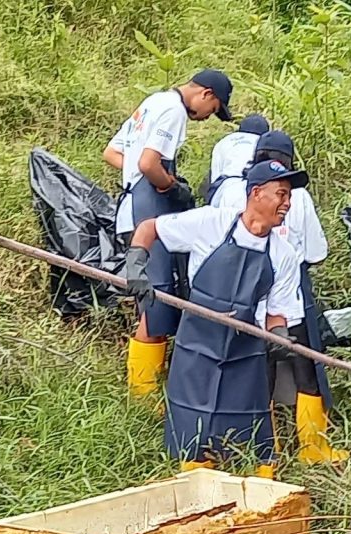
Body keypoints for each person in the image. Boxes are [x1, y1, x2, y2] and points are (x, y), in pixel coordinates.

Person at [122, 158, 308, 475]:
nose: (287, 203)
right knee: (192, 429)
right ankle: (195, 486)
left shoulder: (284, 255)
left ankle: (258, 492)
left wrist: (280, 337)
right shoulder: (211, 224)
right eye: (281, 194)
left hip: (244, 354)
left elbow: (277, 313)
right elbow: (150, 227)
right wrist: (137, 261)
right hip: (197, 347)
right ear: (257, 193)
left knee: (247, 432)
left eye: (289, 196)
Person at [210, 130, 342, 465]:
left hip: (243, 298)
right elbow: (315, 252)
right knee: (306, 368)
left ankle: (265, 454)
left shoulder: (231, 192)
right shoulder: (299, 197)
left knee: (259, 374)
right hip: (289, 300)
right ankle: (313, 449)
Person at [107, 69, 237, 398]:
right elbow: (150, 163)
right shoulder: (174, 111)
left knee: (150, 301)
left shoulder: (153, 102)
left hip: (129, 212)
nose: (209, 117)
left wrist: (141, 177)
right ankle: (143, 394)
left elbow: (113, 154)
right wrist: (170, 186)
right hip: (148, 216)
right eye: (215, 108)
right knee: (157, 305)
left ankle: (146, 386)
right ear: (206, 94)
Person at [206, 113, 271, 204]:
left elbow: (215, 177)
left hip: (225, 186)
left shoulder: (224, 142)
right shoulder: (264, 143)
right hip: (252, 189)